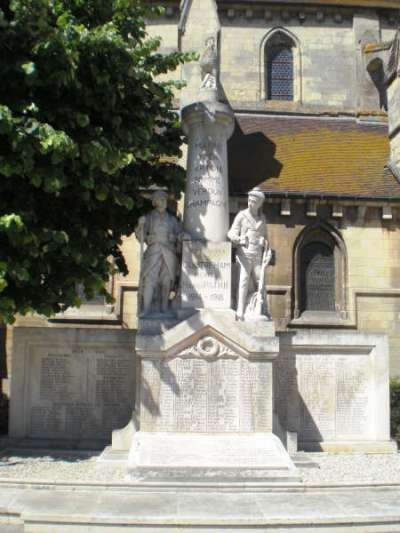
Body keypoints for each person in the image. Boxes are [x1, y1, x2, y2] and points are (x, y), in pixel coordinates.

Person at [135, 190, 182, 317]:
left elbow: (179, 235)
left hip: (169, 252)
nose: (163, 202)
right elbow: (140, 236)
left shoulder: (172, 219)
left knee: (167, 280)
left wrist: (176, 237)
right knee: (149, 279)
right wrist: (140, 226)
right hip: (154, 251)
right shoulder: (149, 217)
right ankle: (146, 308)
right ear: (155, 202)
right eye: (160, 200)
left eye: (164, 200)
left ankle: (164, 307)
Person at [227, 187, 272, 320]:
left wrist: (264, 242)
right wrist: (239, 239)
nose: (250, 203)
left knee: (260, 281)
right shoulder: (242, 215)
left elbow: (266, 238)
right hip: (244, 255)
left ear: (259, 204)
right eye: (249, 200)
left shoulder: (262, 219)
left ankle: (261, 308)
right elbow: (231, 233)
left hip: (257, 256)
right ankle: (240, 310)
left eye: (253, 201)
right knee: (244, 281)